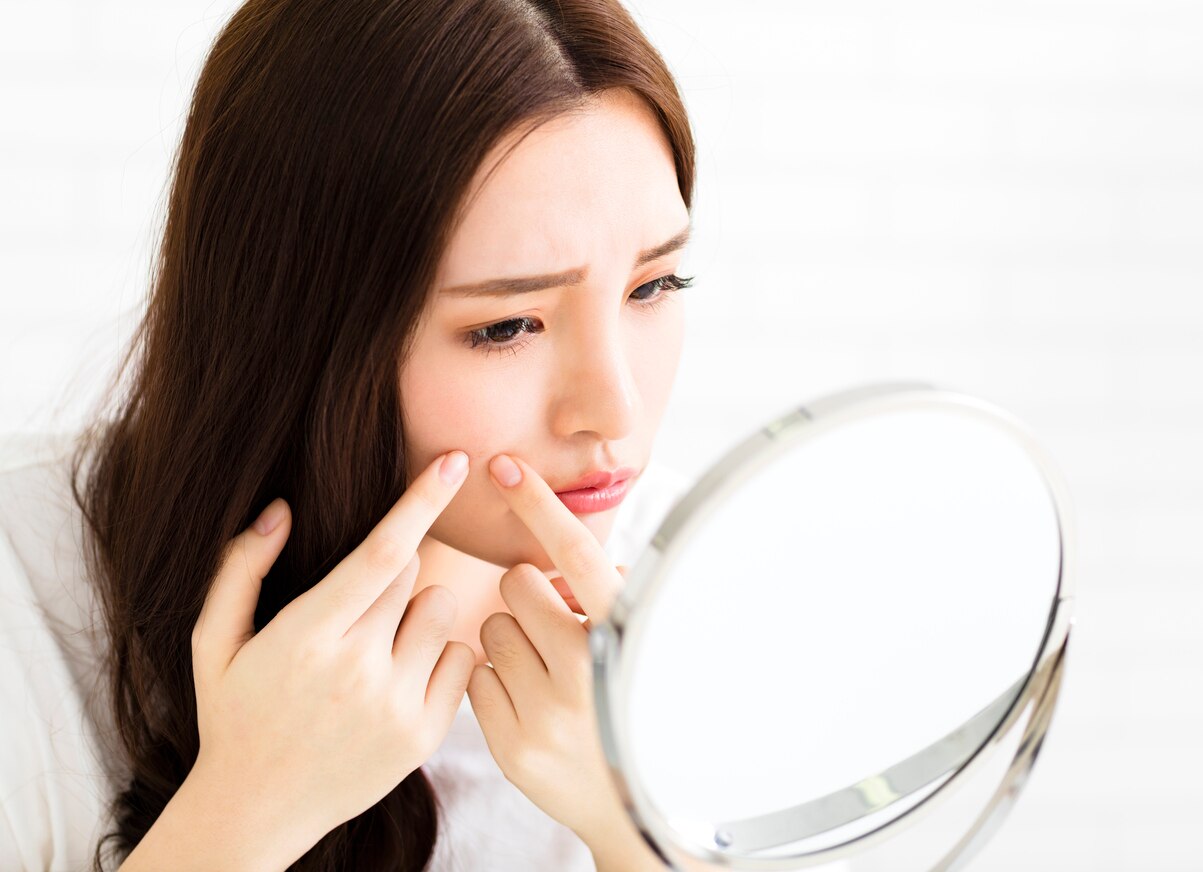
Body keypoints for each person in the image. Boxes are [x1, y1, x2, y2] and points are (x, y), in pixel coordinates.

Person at [0, 0, 698, 869]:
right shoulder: (23, 597)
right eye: (508, 326)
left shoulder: (704, 591)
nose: (617, 412)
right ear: (303, 333)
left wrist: (637, 830)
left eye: (656, 286)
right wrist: (241, 811)